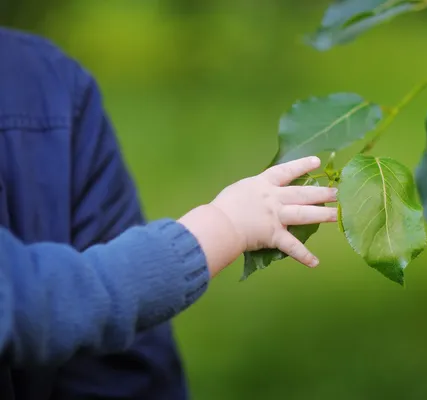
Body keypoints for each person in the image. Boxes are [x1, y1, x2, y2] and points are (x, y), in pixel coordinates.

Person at [0, 26, 336, 400]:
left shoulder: (53, 85)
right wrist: (221, 227)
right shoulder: (50, 89)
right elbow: (51, 300)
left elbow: (118, 370)